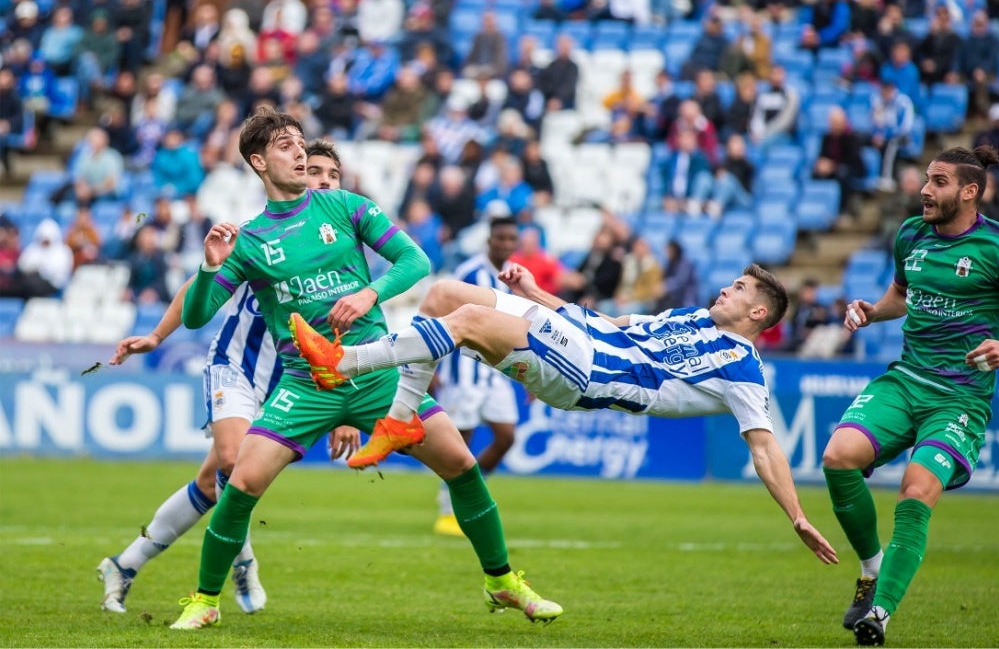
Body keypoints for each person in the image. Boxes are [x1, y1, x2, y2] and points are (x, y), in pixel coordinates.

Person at [168, 108, 560, 630]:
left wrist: (368, 291)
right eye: (285, 145)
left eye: (301, 142)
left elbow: (415, 262)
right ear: (258, 161)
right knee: (241, 483)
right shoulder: (250, 240)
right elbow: (196, 316)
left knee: (462, 466)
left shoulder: (347, 207)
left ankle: (502, 583)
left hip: (378, 373)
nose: (299, 151)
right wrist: (211, 264)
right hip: (307, 385)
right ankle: (205, 601)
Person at [290, 263, 839, 569]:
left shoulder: (742, 366)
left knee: (467, 320)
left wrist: (796, 514)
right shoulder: (691, 316)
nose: (727, 287)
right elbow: (615, 322)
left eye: (739, 288)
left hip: (589, 374)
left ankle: (344, 363)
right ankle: (401, 419)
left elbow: (764, 445)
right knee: (441, 295)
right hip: (582, 336)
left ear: (758, 313)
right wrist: (535, 293)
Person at [97, 142, 358, 614]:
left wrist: (346, 406)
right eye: (313, 170)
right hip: (236, 365)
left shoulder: (343, 241)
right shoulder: (258, 235)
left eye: (331, 175)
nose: (322, 180)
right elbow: (199, 284)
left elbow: (351, 331)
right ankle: (242, 561)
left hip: (294, 381)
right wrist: (157, 335)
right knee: (235, 464)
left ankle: (124, 564)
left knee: (211, 483)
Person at [827, 145, 999, 646]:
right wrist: (869, 311)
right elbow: (900, 297)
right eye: (926, 180)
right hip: (906, 379)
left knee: (915, 491)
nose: (924, 190)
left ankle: (880, 615)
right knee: (838, 457)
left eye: (937, 182)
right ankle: (871, 571)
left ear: (969, 191)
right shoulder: (911, 234)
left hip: (959, 399)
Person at [432, 215, 524, 537]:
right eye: (501, 238)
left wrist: (529, 375)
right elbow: (443, 317)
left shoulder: (516, 276)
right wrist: (434, 366)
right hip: (465, 372)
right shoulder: (470, 273)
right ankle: (448, 510)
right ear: (489, 240)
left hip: (497, 372)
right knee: (460, 445)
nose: (506, 244)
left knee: (506, 437)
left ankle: (474, 489)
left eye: (512, 239)